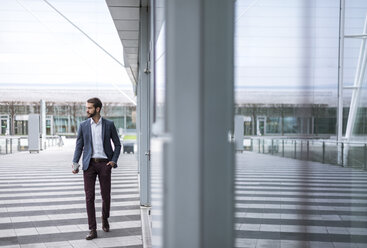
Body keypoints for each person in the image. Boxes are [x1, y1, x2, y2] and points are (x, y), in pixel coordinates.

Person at [72, 97, 121, 240]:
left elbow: (117, 144)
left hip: (105, 164)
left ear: (97, 109)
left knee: (106, 196)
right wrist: (75, 163)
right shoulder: (83, 125)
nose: (86, 110)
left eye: (89, 108)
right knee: (89, 197)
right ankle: (92, 229)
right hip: (89, 165)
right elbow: (79, 145)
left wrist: (113, 161)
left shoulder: (109, 125)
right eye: (86, 107)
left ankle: (105, 218)